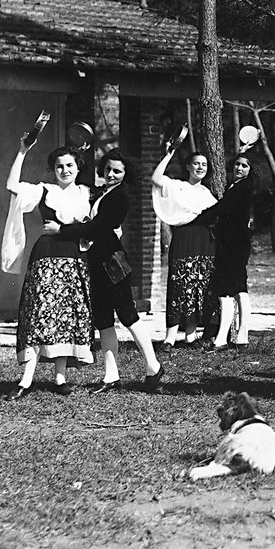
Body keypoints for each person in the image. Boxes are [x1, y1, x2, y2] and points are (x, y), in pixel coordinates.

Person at [48, 149, 164, 392]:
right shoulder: (104, 193)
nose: (111, 174)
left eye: (117, 171)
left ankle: (153, 366)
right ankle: (111, 376)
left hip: (113, 264)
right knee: (103, 320)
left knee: (128, 315)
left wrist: (62, 230)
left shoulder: (121, 196)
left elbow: (100, 227)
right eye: (108, 169)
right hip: (97, 264)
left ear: (126, 173)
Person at [0, 141, 94, 399]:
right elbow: (12, 186)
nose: (64, 170)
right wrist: (22, 150)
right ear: (53, 170)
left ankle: (60, 378)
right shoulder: (44, 190)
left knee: (66, 317)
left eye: (69, 165)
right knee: (39, 315)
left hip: (75, 258)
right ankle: (26, 380)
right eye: (59, 166)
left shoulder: (87, 194)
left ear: (78, 168)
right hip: (47, 257)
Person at [152, 147, 218, 350]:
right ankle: (170, 337)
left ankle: (191, 335)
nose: (200, 167)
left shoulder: (207, 193)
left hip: (205, 241)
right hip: (184, 238)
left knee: (198, 285)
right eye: (196, 163)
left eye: (204, 165)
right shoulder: (177, 186)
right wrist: (169, 154)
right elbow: (155, 179)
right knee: (180, 284)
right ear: (188, 166)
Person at [206, 152, 256, 351]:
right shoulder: (233, 187)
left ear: (250, 170)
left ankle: (240, 336)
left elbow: (223, 209)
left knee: (235, 288)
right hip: (228, 242)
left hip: (236, 243)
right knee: (228, 290)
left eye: (244, 165)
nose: (239, 168)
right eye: (237, 164)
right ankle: (226, 338)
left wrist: (202, 217)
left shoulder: (244, 188)